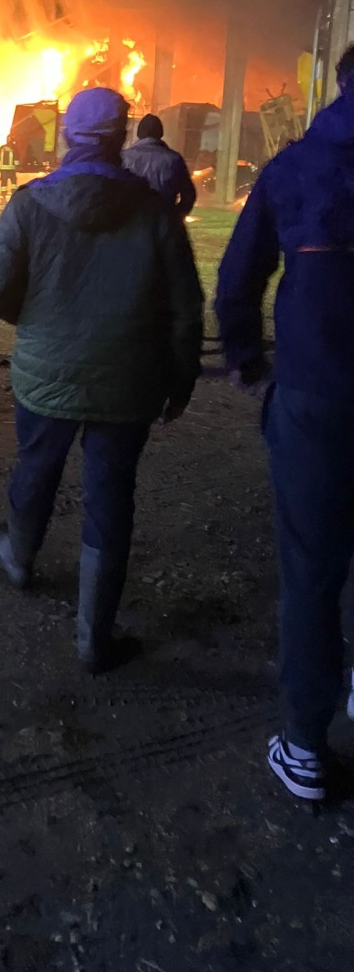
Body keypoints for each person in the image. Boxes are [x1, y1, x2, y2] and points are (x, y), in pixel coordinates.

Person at [0, 87, 203, 673]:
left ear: (66, 137)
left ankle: (19, 556)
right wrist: (181, 378)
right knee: (111, 495)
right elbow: (185, 308)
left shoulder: (28, 204)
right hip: (128, 381)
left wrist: (38, 325)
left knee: (36, 465)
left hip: (44, 376)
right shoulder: (156, 212)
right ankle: (94, 639)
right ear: (121, 137)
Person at [215, 42, 354, 802]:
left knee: (311, 570)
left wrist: (246, 358)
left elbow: (239, 277)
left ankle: (304, 747)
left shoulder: (295, 167)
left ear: (340, 82)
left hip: (315, 396)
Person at [122, 113, 197, 216]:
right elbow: (188, 194)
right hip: (162, 218)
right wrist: (176, 217)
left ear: (139, 134)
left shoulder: (124, 157)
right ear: (160, 133)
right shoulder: (174, 159)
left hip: (130, 218)